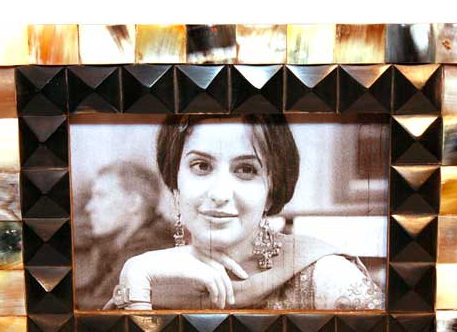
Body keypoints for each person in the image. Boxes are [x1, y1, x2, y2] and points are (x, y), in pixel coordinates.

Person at [109, 115, 384, 311]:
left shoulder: (325, 278)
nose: (220, 193)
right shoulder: (152, 278)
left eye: (246, 170)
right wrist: (136, 272)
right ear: (175, 183)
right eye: (201, 166)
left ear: (271, 192)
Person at [75, 161, 174, 310]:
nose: (89, 207)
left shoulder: (151, 249)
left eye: (100, 196)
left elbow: (104, 305)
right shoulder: (123, 245)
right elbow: (90, 294)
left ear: (133, 203)